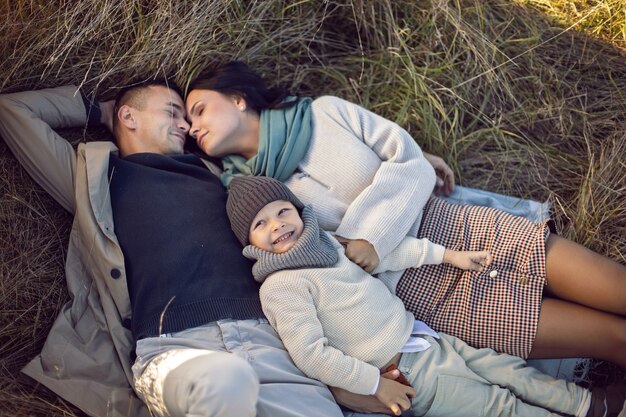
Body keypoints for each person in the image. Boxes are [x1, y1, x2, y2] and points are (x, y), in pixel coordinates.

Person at [185, 61, 626, 373]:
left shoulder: (324, 112)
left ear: (238, 99)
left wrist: (368, 238)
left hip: (456, 228)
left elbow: (411, 165)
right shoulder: (245, 198)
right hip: (417, 293)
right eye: (187, 122)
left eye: (199, 109)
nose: (193, 126)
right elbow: (317, 258)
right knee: (614, 339)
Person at [0, 81, 387, 417]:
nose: (186, 125)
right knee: (226, 384)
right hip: (176, 348)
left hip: (270, 340)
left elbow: (295, 182)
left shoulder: (220, 175)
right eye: (172, 112)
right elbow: (13, 109)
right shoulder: (94, 175)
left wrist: (382, 158)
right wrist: (102, 110)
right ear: (129, 117)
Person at [224, 175, 626, 417]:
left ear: (297, 210)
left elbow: (388, 255)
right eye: (261, 224)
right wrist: (373, 386)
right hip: (403, 371)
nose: (277, 225)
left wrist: (449, 255)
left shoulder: (326, 243)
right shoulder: (281, 286)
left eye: (282, 212)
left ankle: (589, 406)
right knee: (496, 408)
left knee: (510, 371)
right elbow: (312, 354)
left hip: (426, 337)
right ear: (250, 243)